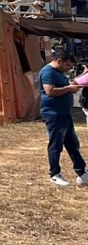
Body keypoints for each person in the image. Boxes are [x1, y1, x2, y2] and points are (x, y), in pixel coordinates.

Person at [38, 50, 87, 186]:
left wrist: (81, 77)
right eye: (67, 65)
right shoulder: (47, 72)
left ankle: (81, 173)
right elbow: (50, 91)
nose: (68, 68)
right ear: (58, 61)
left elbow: (69, 85)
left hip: (64, 114)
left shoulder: (58, 72)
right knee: (56, 145)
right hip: (53, 114)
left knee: (72, 144)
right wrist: (68, 88)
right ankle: (54, 174)